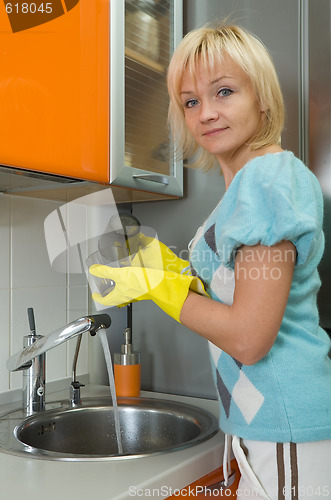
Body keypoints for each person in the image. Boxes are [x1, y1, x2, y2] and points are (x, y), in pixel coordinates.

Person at [90, 24, 331, 499]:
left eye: (224, 91)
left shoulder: (267, 177)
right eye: (191, 101)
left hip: (286, 421)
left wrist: (165, 288)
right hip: (271, 422)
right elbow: (243, 294)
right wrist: (179, 275)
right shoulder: (248, 185)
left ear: (261, 97)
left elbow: (248, 338)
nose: (207, 113)